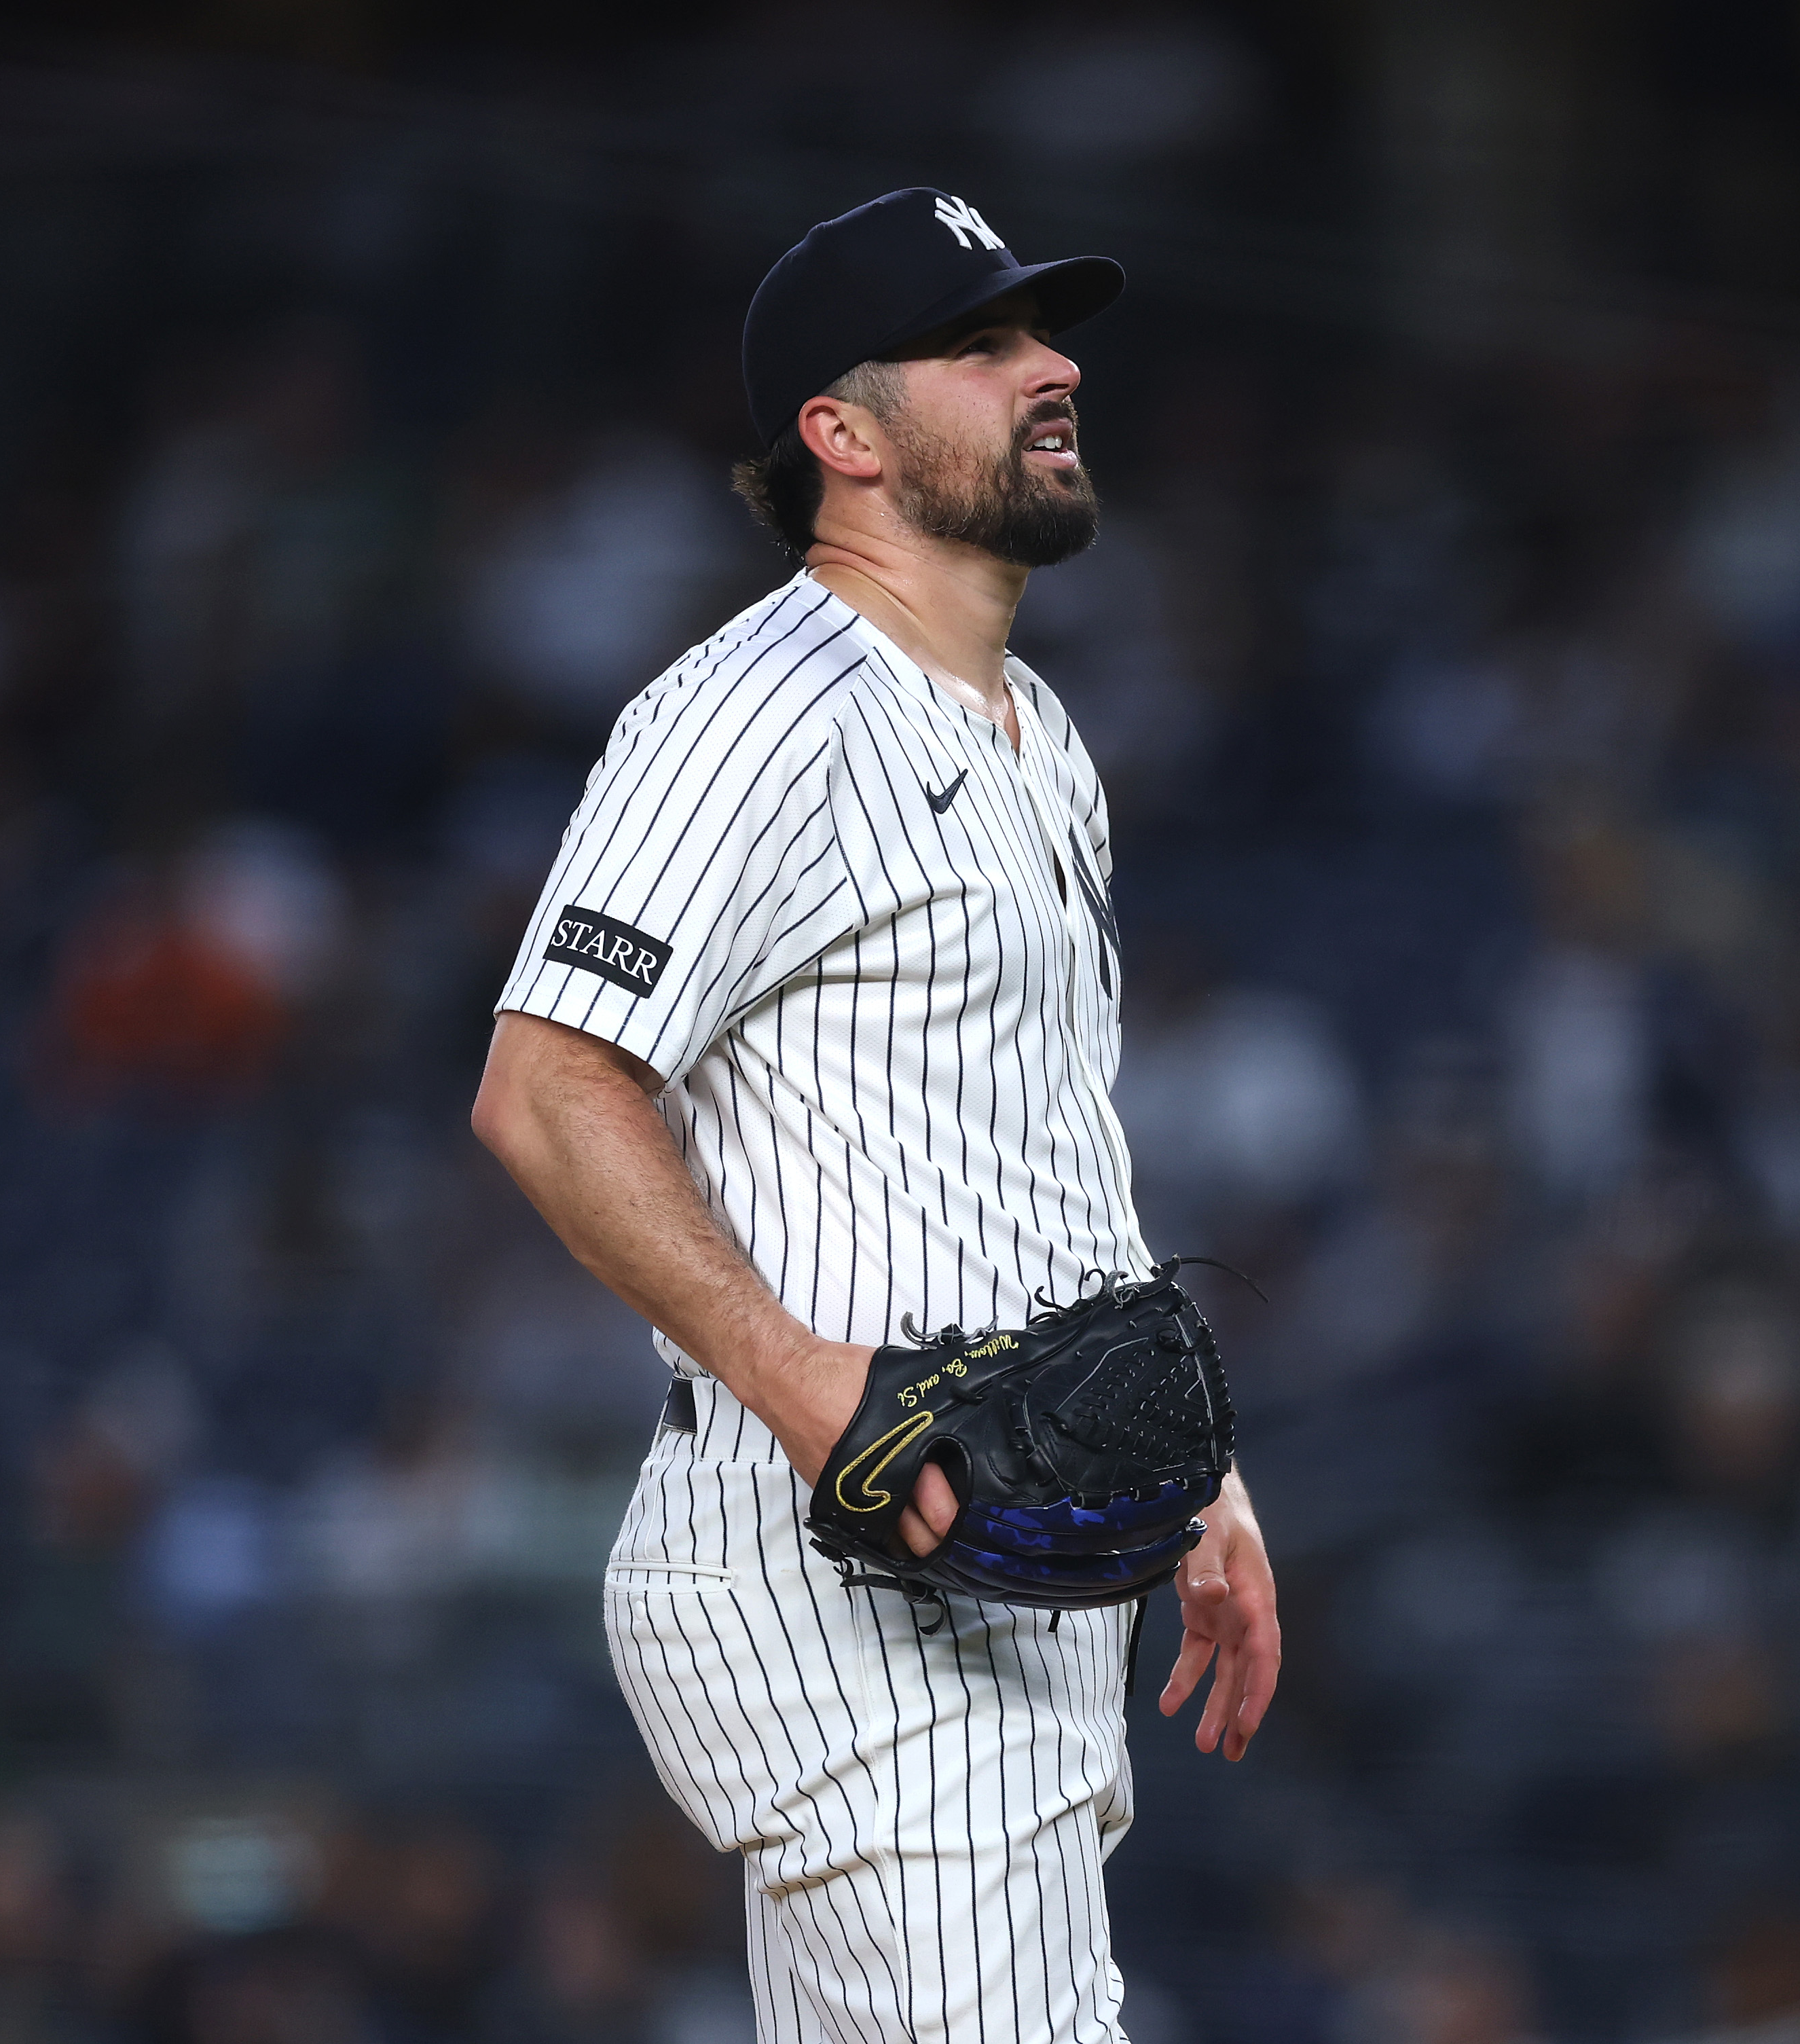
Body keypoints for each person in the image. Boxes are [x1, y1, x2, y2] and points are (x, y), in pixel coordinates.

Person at [469, 186, 1280, 2044]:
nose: (1049, 367)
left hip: (1003, 1558)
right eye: (979, 344)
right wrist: (797, 1371)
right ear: (839, 435)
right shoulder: (758, 711)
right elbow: (545, 1087)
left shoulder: (1039, 737)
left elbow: (1039, 1144)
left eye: (1041, 333)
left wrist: (1197, 1468)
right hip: (843, 1554)